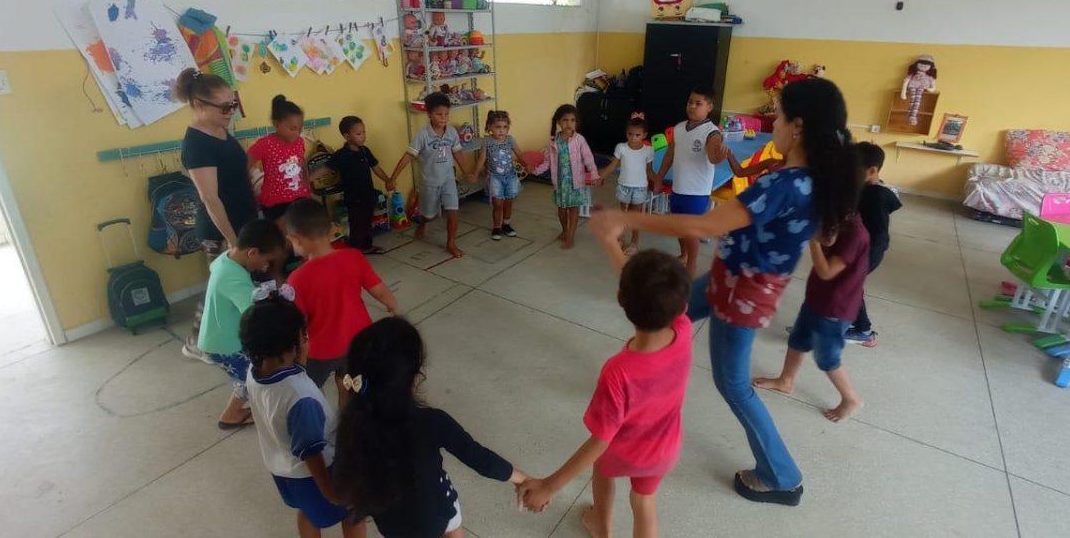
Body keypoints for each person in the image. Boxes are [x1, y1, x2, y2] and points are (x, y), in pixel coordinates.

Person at [591, 77, 861, 506]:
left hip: (741, 292)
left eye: (781, 113)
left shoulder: (785, 184)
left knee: (733, 384)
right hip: (734, 279)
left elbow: (704, 226)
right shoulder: (810, 179)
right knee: (668, 312)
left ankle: (782, 476)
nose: (774, 119)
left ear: (799, 127)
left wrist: (628, 221)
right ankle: (638, 383)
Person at [518, 230, 692, 538]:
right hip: (664, 448)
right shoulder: (683, 328)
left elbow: (601, 440)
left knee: (602, 470)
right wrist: (610, 243)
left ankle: (602, 525)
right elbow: (642, 287)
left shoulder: (619, 371)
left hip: (625, 450)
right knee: (644, 503)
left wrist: (549, 485)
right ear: (680, 305)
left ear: (619, 299)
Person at [329, 317, 530, 537]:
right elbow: (481, 459)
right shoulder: (432, 422)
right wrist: (523, 479)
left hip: (392, 525)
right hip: (435, 515)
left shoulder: (351, 427)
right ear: (415, 378)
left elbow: (339, 485)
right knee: (452, 521)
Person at [240, 285, 366, 538]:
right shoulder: (300, 396)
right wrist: (331, 491)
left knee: (308, 512)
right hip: (319, 474)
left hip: (283, 469)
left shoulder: (255, 373)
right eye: (304, 336)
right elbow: (311, 451)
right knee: (355, 510)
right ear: (293, 344)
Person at [753, 214, 870, 423]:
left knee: (827, 357)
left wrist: (812, 239)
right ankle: (785, 380)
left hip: (835, 309)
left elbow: (826, 271)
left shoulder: (854, 234)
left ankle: (851, 399)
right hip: (818, 297)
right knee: (798, 339)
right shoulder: (837, 220)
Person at [177, 67, 259, 362]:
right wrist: (232, 240)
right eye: (225, 107)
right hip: (220, 230)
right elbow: (210, 198)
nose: (231, 111)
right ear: (199, 106)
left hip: (244, 220)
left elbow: (236, 173)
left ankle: (218, 336)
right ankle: (198, 341)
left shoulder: (222, 131)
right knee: (221, 286)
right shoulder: (196, 145)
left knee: (229, 285)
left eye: (233, 104)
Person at [284, 199, 399, 407]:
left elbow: (297, 324)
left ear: (295, 239)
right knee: (348, 382)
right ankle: (348, 418)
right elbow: (378, 288)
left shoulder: (297, 278)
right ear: (331, 231)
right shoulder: (354, 257)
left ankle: (320, 419)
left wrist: (297, 355)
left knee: (309, 389)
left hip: (320, 351)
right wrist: (392, 304)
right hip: (358, 342)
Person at [197, 219, 287, 428]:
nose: (265, 266)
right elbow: (254, 314)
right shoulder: (234, 278)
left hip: (219, 337)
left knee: (245, 376)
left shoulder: (225, 260)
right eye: (266, 260)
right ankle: (231, 414)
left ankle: (235, 410)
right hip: (225, 344)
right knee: (254, 375)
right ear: (252, 253)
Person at [652, 87, 729, 278]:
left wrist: (719, 156)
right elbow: (670, 154)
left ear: (709, 107)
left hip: (697, 192)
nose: (692, 106)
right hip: (678, 187)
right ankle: (684, 255)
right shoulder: (678, 128)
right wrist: (659, 177)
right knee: (679, 227)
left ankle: (692, 266)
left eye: (698, 103)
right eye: (690, 102)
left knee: (691, 231)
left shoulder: (712, 133)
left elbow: (712, 156)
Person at [387, 92, 473, 258]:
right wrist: (393, 177)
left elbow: (457, 153)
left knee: (453, 210)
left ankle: (451, 243)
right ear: (429, 115)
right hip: (430, 182)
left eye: (446, 114)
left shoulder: (452, 133)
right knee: (429, 214)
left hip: (448, 179)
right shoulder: (423, 135)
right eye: (439, 114)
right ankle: (422, 223)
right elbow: (408, 156)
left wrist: (466, 171)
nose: (443, 118)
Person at [847, 142, 902, 345]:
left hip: (870, 249)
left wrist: (865, 251)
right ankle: (842, 320)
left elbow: (879, 232)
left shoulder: (876, 196)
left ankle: (863, 330)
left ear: (872, 171)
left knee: (850, 284)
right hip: (860, 245)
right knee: (848, 283)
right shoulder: (867, 188)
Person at [318, 116, 395, 254]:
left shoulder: (365, 151)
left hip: (367, 195)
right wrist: (308, 178)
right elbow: (326, 168)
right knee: (356, 225)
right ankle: (355, 252)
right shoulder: (341, 155)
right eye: (358, 134)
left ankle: (366, 247)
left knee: (367, 222)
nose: (363, 136)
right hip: (353, 198)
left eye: (364, 132)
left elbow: (376, 167)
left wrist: (387, 179)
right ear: (347, 136)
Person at [532, 104, 600, 250]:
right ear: (558, 122)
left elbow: (588, 158)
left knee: (573, 209)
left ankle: (570, 236)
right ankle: (564, 230)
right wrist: (536, 171)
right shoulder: (553, 141)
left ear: (576, 122)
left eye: (572, 120)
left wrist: (594, 173)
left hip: (575, 182)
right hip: (560, 183)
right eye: (565, 120)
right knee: (562, 209)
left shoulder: (579, 140)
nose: (569, 124)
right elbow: (547, 162)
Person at [248, 95, 314, 227]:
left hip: (299, 197)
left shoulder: (299, 142)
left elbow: (301, 163)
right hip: (276, 202)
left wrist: (307, 185)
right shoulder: (265, 144)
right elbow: (243, 166)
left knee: (301, 236)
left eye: (300, 129)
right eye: (292, 128)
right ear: (277, 124)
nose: (297, 133)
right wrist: (249, 194)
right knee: (284, 240)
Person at [598, 117, 656, 254]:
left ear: (644, 135)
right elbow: (612, 166)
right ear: (626, 133)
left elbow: (649, 171)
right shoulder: (621, 148)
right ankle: (621, 238)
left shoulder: (648, 150)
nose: (633, 138)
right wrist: (600, 175)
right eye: (630, 134)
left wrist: (658, 180)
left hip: (640, 188)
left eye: (637, 135)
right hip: (623, 186)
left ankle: (635, 242)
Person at [468, 110, 528, 241]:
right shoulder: (487, 142)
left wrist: (528, 166)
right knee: (497, 204)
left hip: (511, 176)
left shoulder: (510, 140)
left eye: (504, 127)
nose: (501, 131)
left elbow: (519, 154)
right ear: (489, 127)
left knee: (509, 202)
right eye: (497, 127)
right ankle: (496, 227)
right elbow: (481, 160)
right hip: (495, 178)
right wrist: (475, 174)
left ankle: (506, 224)